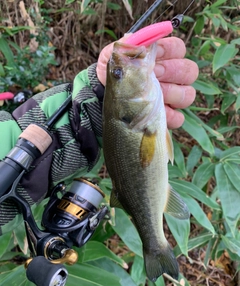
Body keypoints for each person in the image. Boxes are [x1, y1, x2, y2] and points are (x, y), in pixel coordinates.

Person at [0, 36, 198, 235]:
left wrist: (93, 102)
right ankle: (154, 241)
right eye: (118, 73)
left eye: (117, 74)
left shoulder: (129, 116)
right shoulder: (132, 118)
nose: (118, 71)